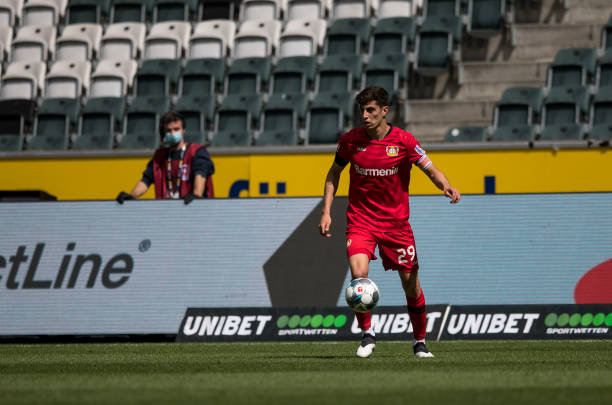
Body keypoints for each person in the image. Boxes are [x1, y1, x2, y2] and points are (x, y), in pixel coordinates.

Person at [318, 86, 460, 358]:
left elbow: (430, 169)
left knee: (411, 284)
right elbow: (333, 174)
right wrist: (326, 211)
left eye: (371, 110)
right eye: (362, 110)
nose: (365, 115)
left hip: (396, 226)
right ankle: (367, 335)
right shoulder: (350, 141)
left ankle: (420, 342)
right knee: (359, 279)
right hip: (360, 222)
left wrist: (446, 186)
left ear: (385, 111)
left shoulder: (404, 141)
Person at [116, 111, 215, 204]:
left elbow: (201, 175)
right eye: (168, 130)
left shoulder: (196, 151)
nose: (172, 133)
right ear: (163, 133)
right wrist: (131, 196)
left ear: (183, 130)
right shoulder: (160, 156)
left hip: (193, 208)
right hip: (168, 210)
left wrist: (196, 195)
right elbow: (146, 180)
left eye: (176, 129)